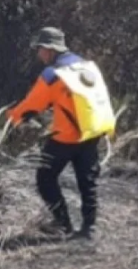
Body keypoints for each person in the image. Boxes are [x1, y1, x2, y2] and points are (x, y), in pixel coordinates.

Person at [6, 27, 116, 240]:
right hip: (92, 132)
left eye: (39, 49)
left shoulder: (53, 74)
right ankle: (89, 228)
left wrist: (10, 118)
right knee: (87, 181)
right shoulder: (87, 66)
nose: (38, 54)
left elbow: (32, 105)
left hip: (65, 138)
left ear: (49, 49)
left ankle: (63, 224)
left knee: (45, 179)